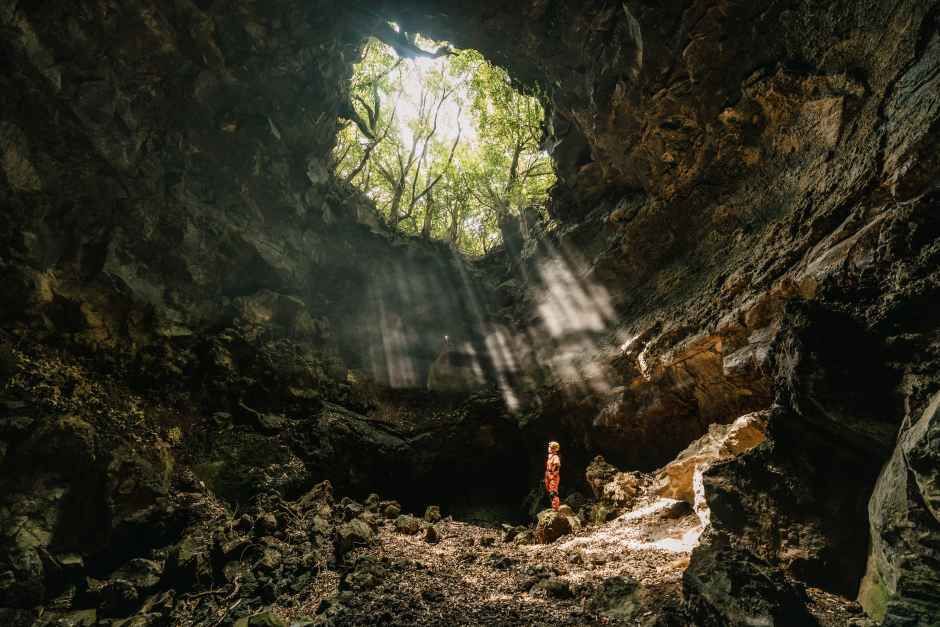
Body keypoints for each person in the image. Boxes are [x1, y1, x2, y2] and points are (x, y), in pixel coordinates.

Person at [544, 441, 561, 511]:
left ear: (553, 449)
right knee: (549, 490)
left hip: (553, 475)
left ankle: (555, 507)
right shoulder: (550, 456)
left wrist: (554, 474)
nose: (549, 448)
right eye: (549, 447)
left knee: (553, 492)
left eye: (550, 447)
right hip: (548, 474)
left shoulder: (555, 457)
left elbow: (557, 466)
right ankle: (553, 506)